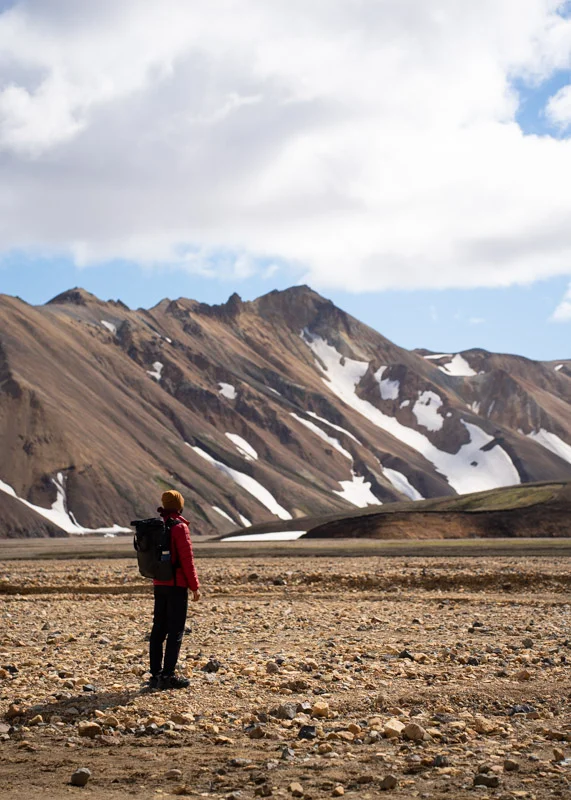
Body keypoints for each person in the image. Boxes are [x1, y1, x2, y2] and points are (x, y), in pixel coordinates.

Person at [148, 490, 201, 690]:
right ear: (179, 505)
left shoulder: (157, 526)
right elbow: (187, 561)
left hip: (159, 584)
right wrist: (194, 586)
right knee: (175, 631)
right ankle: (168, 676)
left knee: (158, 629)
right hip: (177, 586)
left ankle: (155, 675)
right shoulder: (179, 528)